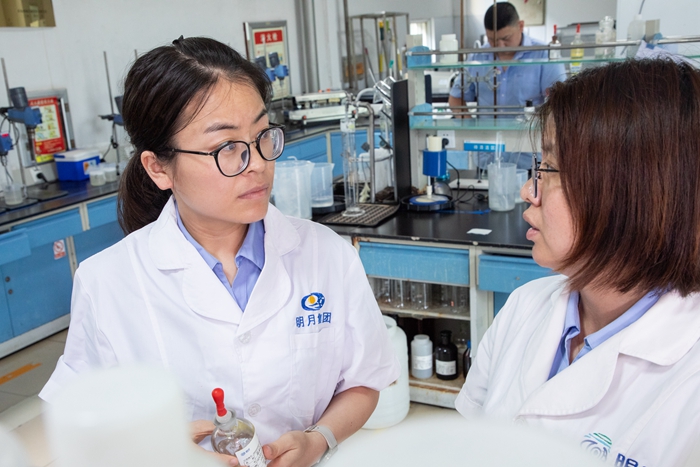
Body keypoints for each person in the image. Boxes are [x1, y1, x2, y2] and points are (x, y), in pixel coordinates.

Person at [39, 36, 400, 467]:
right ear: (159, 168)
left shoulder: (327, 255)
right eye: (226, 147)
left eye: (262, 135)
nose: (258, 164)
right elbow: (75, 421)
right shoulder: (107, 282)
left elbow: (364, 380)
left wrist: (319, 440)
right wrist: (156, 451)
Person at [456, 58, 700, 467]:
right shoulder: (523, 306)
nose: (528, 190)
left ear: (631, 192)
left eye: (548, 168)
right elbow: (467, 446)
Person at [448, 2, 565, 113]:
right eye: (492, 39)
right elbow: (455, 99)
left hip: (529, 127)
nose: (500, 46)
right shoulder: (477, 57)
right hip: (487, 127)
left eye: (506, 38)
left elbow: (560, 102)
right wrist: (470, 124)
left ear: (520, 26)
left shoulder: (544, 54)